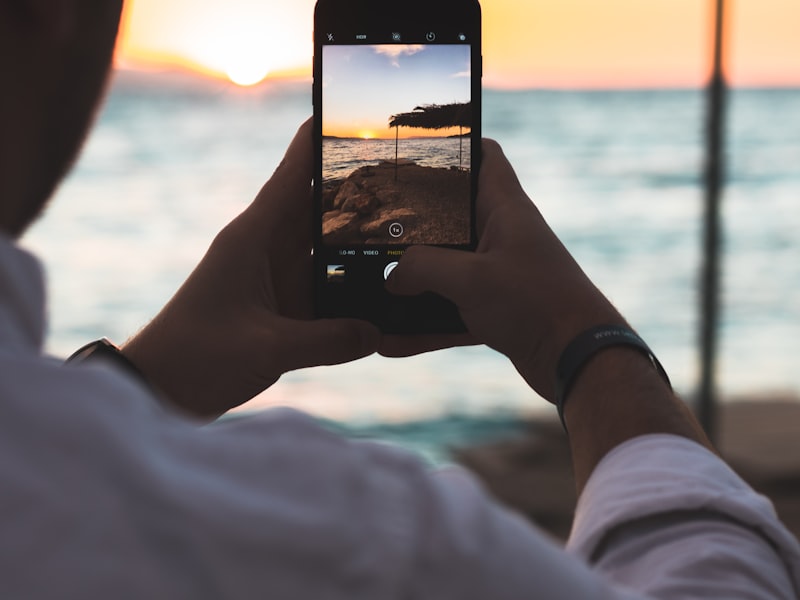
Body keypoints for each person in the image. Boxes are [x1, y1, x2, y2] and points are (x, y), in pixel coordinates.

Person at [1, 1, 798, 597]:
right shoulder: (363, 541)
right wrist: (581, 337)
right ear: (52, 14)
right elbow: (720, 578)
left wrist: (145, 385)